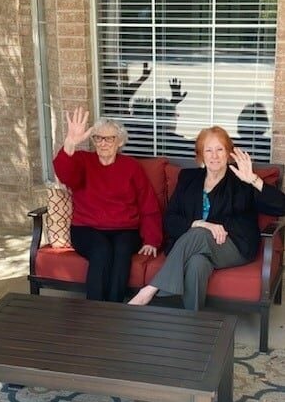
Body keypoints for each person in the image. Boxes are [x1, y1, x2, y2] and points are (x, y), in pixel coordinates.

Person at [128, 126, 285, 310]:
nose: (214, 156)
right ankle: (192, 324)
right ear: (201, 155)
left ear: (228, 154)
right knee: (197, 264)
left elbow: (281, 206)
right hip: (193, 248)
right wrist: (201, 223)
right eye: (208, 150)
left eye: (220, 149)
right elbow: (170, 219)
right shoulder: (189, 178)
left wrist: (253, 179)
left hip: (233, 246)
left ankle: (150, 289)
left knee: (200, 234)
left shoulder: (241, 181)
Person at [53, 107, 162, 302]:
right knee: (101, 250)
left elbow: (148, 204)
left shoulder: (131, 167)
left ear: (119, 141)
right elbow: (65, 174)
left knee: (121, 252)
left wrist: (151, 239)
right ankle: (95, 310)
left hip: (125, 229)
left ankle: (114, 310)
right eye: (98, 138)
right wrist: (70, 142)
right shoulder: (82, 161)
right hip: (86, 228)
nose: (103, 143)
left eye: (109, 138)